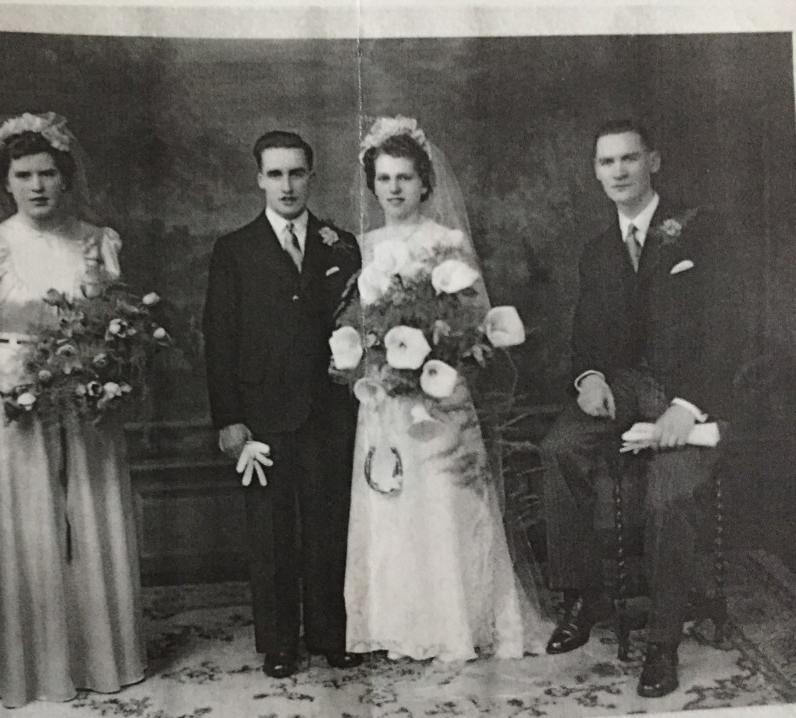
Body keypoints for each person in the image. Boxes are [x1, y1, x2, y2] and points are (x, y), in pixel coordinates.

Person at [0, 112, 145, 707]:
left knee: (92, 514)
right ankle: (28, 667)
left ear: (65, 177)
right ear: (5, 181)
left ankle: (100, 658)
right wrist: (5, 381)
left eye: (48, 174)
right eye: (24, 175)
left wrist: (106, 371)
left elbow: (114, 323)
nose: (37, 186)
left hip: (86, 394)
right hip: (14, 394)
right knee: (25, 523)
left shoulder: (96, 242)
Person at [541, 118, 746, 696]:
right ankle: (583, 596)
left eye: (629, 158)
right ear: (596, 172)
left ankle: (662, 642)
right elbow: (586, 335)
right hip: (626, 387)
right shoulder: (597, 251)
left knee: (667, 494)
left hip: (693, 393)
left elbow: (730, 330)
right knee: (559, 449)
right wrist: (588, 378)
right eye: (606, 162)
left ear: (653, 162)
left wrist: (689, 405)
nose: (618, 172)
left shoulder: (702, 232)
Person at [342, 118, 550, 663]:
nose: (394, 188)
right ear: (372, 185)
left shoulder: (446, 242)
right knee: (394, 502)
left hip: (440, 393)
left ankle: (457, 622)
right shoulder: (362, 247)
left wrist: (438, 353)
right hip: (387, 397)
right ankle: (399, 625)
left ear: (425, 183)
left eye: (405, 177)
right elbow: (359, 324)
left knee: (444, 501)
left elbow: (471, 324)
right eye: (384, 178)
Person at [202, 130, 363, 678]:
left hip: (328, 409)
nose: (287, 185)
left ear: (311, 177)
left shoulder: (340, 245)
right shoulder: (234, 250)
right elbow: (219, 339)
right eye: (275, 174)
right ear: (259, 179)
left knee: (328, 524)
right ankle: (279, 642)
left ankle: (330, 633)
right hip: (263, 412)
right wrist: (229, 419)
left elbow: (357, 322)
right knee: (270, 533)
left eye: (296, 173)